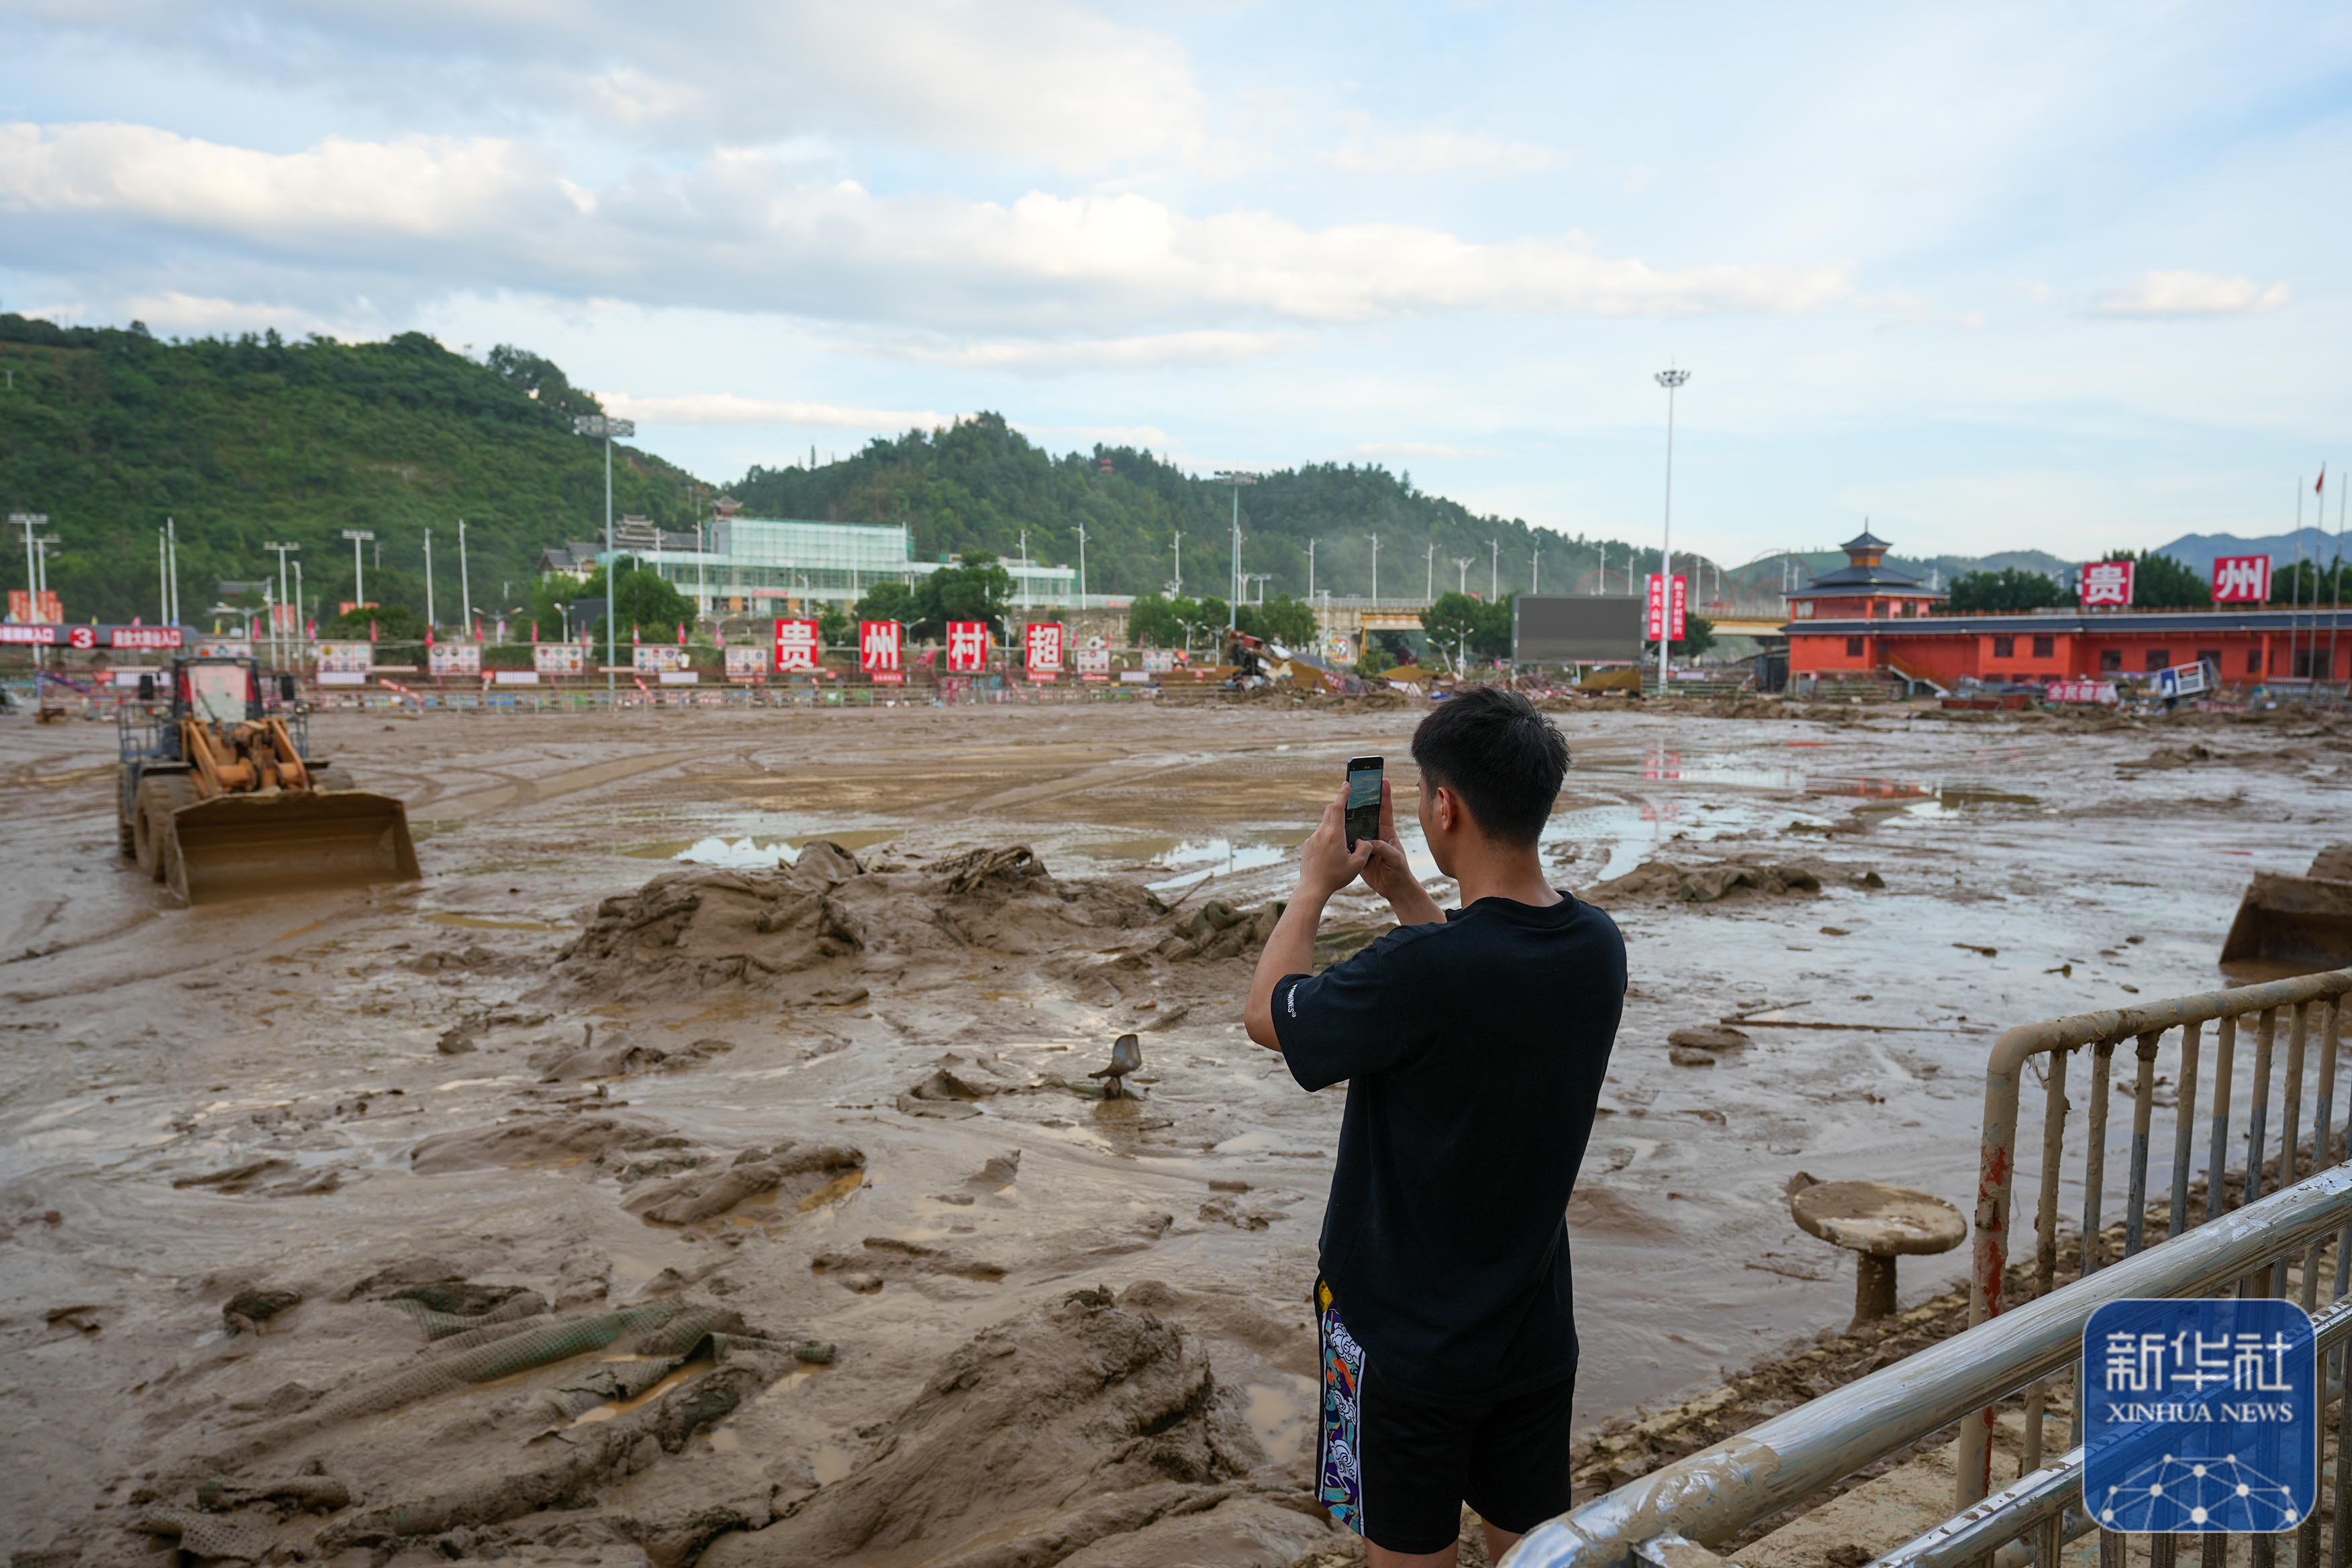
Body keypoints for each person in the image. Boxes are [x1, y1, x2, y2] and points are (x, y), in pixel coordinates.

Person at [1243, 687, 1625, 1567]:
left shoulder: (1416, 973)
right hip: (1532, 1328)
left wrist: (1312, 887)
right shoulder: (1597, 946)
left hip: (1400, 1343)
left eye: (1422, 794)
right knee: (1533, 1548)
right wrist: (1406, 891)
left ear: (1444, 806)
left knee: (1407, 1549)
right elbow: (1479, 979)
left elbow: (1268, 1015)